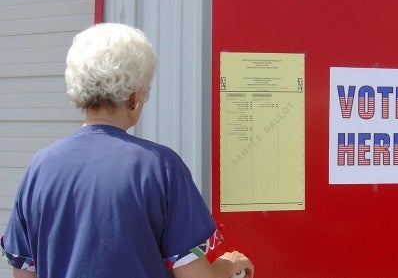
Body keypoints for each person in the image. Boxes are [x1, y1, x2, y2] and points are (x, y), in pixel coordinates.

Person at [0, 23, 254, 278]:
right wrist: (227, 266)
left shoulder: (40, 167)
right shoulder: (161, 167)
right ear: (134, 98)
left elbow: (24, 273)